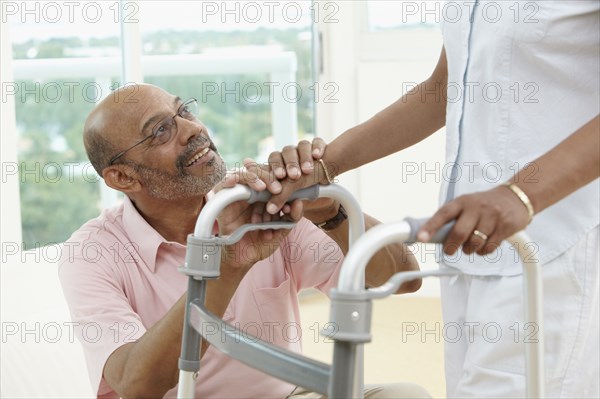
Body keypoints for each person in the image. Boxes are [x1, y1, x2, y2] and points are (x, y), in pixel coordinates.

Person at [263, 2, 599, 398]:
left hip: (556, 242)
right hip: (469, 248)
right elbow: (444, 87)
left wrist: (519, 195)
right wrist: (325, 166)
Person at [58, 83, 429, 399]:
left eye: (184, 111)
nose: (191, 129)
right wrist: (229, 264)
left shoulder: (255, 200)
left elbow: (404, 278)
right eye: (161, 131)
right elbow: (138, 385)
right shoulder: (92, 254)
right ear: (123, 177)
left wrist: (330, 211)